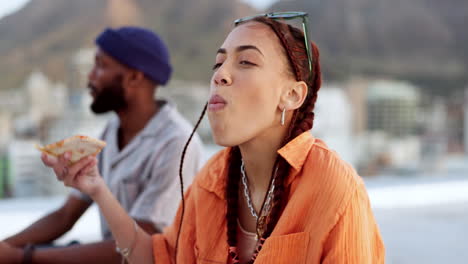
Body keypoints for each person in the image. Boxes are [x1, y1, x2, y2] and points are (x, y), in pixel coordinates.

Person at [1, 12, 385, 263]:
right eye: (218, 63)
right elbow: (157, 256)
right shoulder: (213, 181)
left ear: (293, 95)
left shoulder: (334, 188)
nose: (220, 74)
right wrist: (97, 187)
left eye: (246, 61)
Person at [0, 26, 203, 264]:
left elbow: (143, 244)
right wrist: (6, 247)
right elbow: (66, 215)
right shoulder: (112, 130)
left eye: (101, 66)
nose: (90, 76)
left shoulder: (177, 143)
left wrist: (23, 257)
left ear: (134, 77)